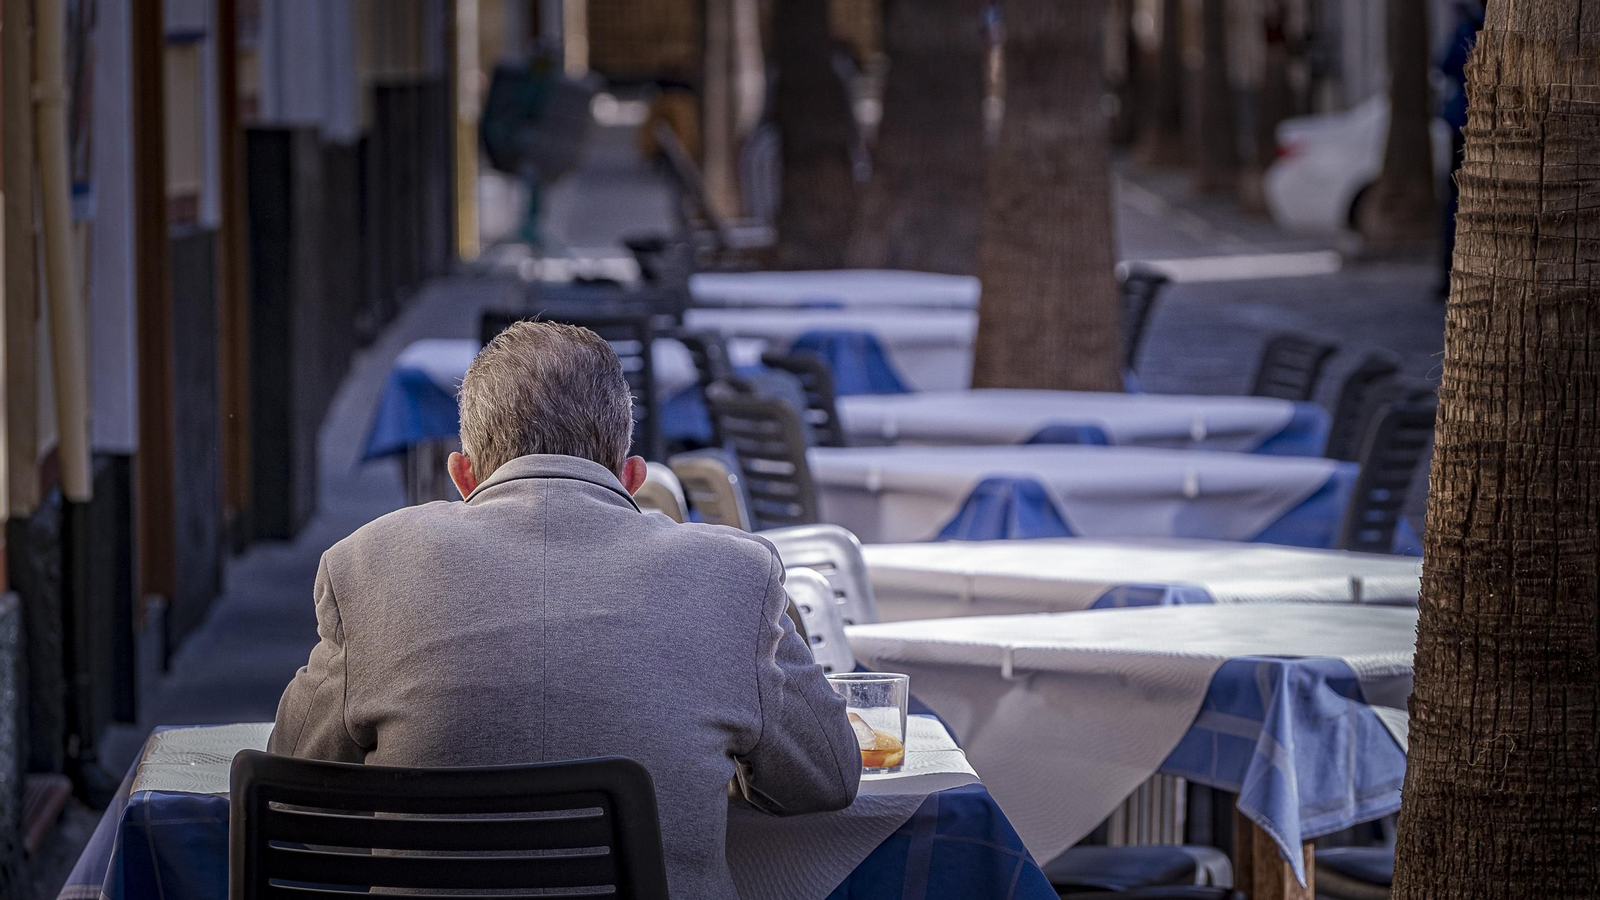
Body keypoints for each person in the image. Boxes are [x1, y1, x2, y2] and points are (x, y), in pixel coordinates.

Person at [270, 321, 861, 898]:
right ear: (632, 477)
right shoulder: (733, 575)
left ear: (462, 475)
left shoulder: (367, 566)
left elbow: (294, 776)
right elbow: (826, 777)